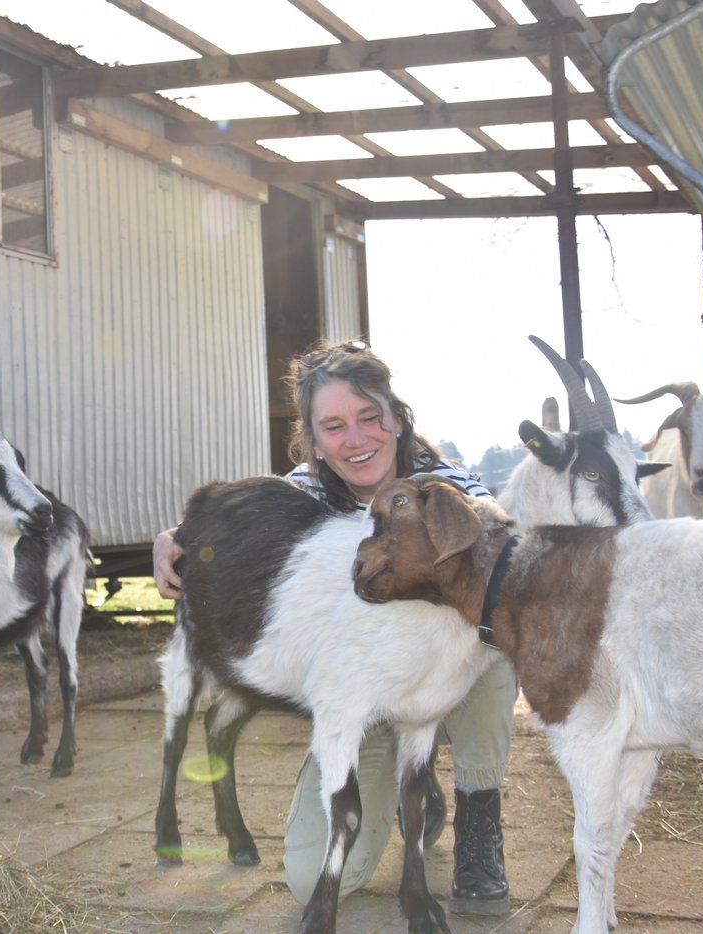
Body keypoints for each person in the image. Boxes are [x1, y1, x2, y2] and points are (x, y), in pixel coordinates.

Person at [151, 337, 517, 915]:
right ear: (314, 440)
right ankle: (408, 792)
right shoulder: (310, 490)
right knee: (308, 879)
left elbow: (502, 545)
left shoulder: (447, 487)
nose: (356, 439)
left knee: (492, 648)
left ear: (397, 419)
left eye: (370, 418)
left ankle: (479, 825)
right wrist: (174, 538)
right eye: (334, 426)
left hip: (444, 693)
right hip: (364, 696)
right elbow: (246, 524)